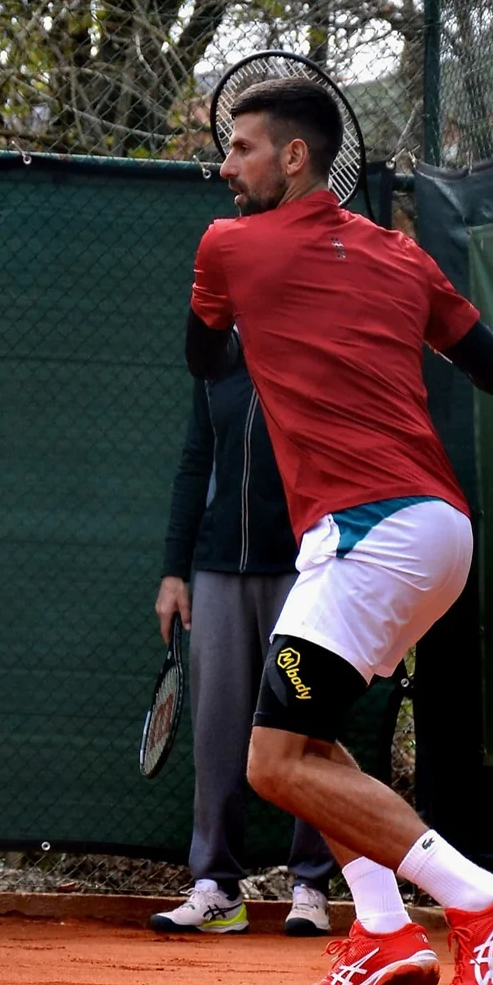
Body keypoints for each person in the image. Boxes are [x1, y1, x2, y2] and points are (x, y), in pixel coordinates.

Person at [184, 76, 493, 985]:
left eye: (242, 148)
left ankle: (482, 901)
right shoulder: (402, 257)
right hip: (433, 529)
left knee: (271, 764)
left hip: (370, 533)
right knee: (305, 741)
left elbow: (202, 355)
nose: (225, 168)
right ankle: (384, 931)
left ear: (294, 156)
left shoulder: (229, 247)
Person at [148, 357, 335, 937]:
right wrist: (174, 573)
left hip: (306, 567)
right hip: (218, 567)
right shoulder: (215, 368)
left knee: (307, 726)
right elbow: (193, 464)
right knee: (217, 731)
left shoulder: (316, 352)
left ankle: (312, 886)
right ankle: (217, 890)